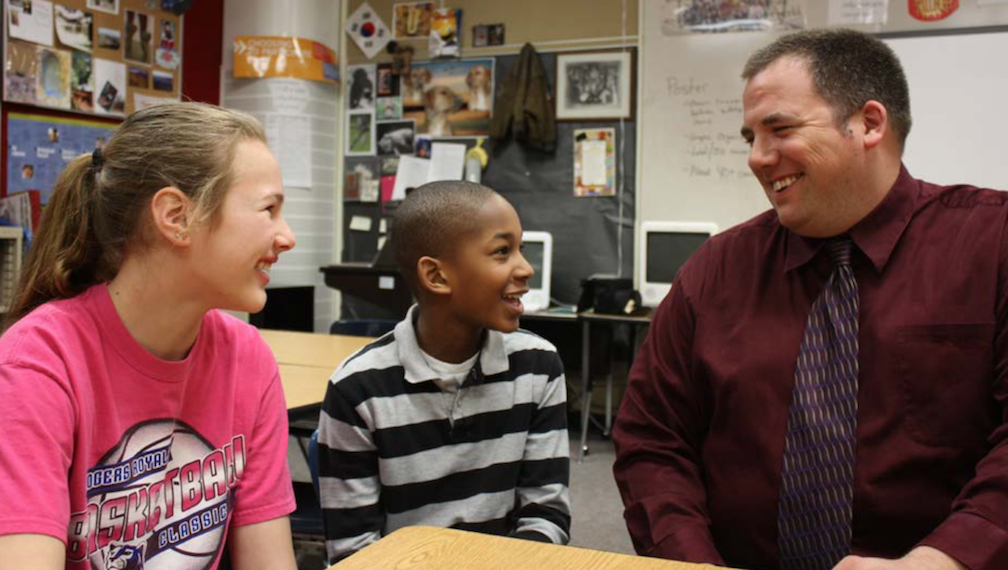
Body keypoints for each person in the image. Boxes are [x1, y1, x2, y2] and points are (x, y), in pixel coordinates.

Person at [613, 28, 1008, 570]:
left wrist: (945, 558)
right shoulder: (715, 271)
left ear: (869, 124)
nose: (757, 157)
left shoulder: (992, 245)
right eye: (749, 136)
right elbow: (652, 438)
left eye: (780, 129)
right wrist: (690, 560)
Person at [0, 102, 299, 570]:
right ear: (176, 216)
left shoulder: (248, 358)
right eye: (269, 210)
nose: (286, 237)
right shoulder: (36, 365)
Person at [317, 181, 571, 562]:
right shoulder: (358, 389)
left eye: (520, 249)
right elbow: (353, 550)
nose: (526, 268)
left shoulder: (538, 366)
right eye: (503, 251)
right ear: (436, 276)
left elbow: (546, 513)